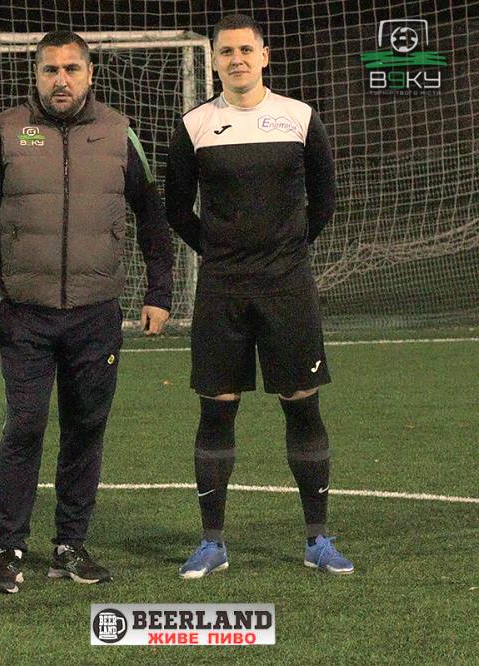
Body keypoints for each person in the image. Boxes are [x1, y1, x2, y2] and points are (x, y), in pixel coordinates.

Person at [0, 30, 174, 593]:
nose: (61, 80)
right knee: (25, 426)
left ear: (89, 74)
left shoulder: (119, 132)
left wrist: (160, 291)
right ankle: (9, 548)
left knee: (85, 429)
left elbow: (152, 216)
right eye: (50, 70)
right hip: (24, 315)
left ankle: (70, 545)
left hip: (95, 314)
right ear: (36, 76)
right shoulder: (6, 131)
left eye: (71, 69)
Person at [164, 14, 354, 578]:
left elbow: (324, 200)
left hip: (287, 288)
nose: (237, 60)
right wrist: (220, 251)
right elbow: (176, 208)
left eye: (246, 50)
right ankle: (212, 544)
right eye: (226, 52)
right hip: (222, 289)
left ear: (264, 56)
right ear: (214, 61)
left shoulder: (299, 118)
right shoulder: (195, 125)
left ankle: (317, 539)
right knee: (217, 409)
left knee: (303, 404)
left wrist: (284, 250)